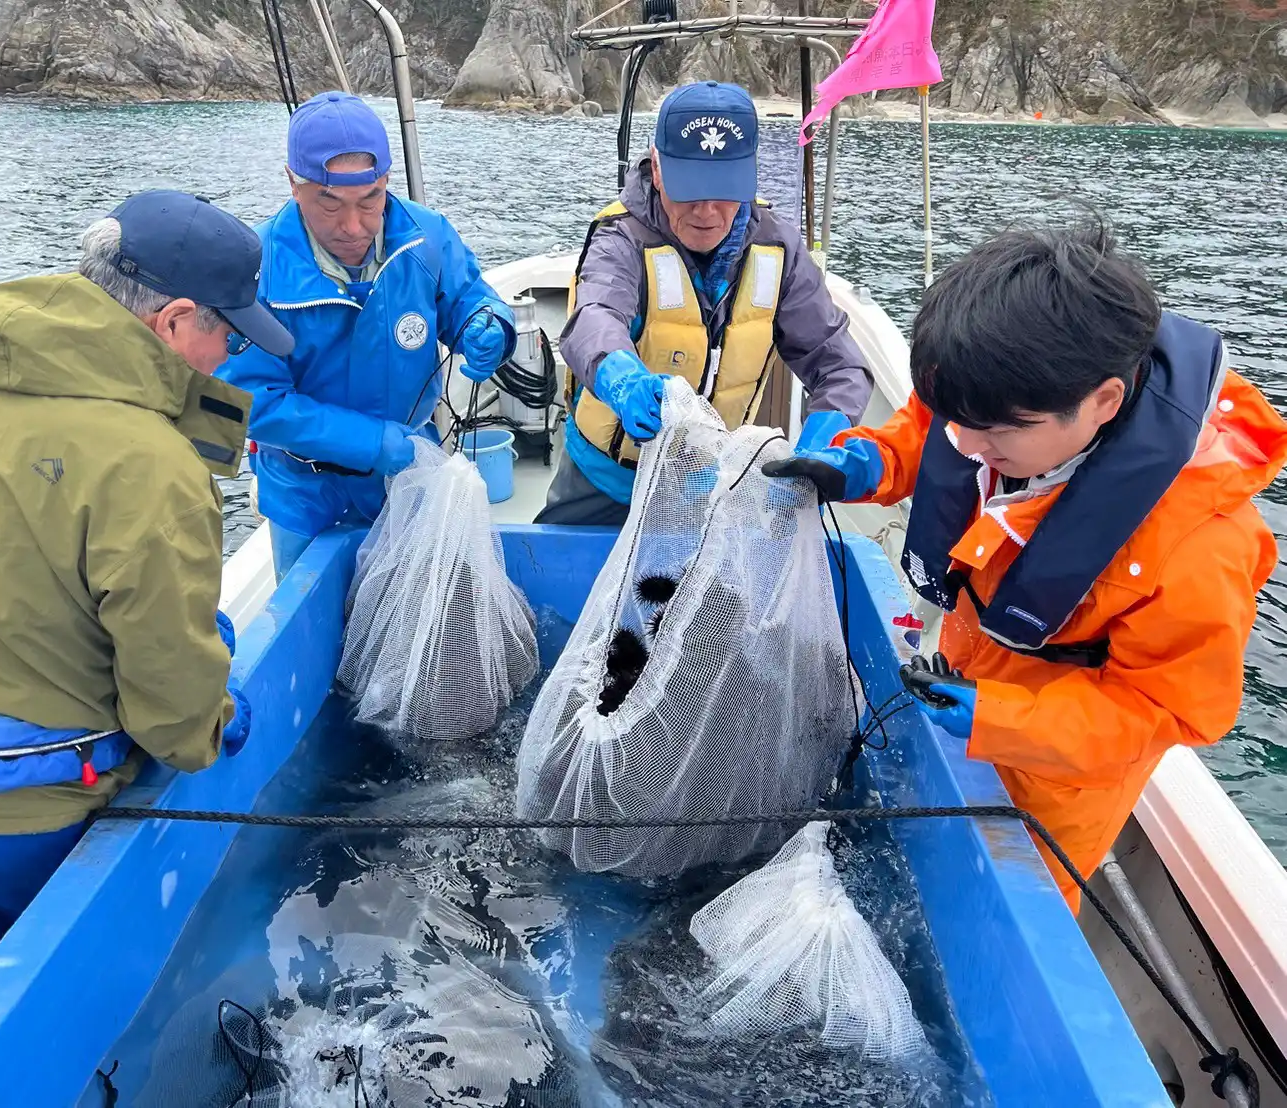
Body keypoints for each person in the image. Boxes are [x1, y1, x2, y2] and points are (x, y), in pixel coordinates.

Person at [0, 189, 291, 1093]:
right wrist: (216, 716)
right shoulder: (152, 463)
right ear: (174, 320)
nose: (231, 358)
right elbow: (172, 720)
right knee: (44, 1050)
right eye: (229, 335)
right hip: (4, 815)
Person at [766, 221, 1287, 912]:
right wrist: (867, 463)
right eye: (957, 418)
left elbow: (1163, 711)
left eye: (997, 431)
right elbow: (926, 431)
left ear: (1103, 401)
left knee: (997, 911)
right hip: (961, 679)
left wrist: (1000, 718)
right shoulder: (991, 397)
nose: (969, 444)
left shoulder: (1201, 546)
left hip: (1053, 792)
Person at [537, 80, 873, 526]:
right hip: (606, 480)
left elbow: (840, 365)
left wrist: (825, 438)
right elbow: (593, 319)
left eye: (724, 189)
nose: (707, 212)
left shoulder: (780, 248)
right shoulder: (620, 239)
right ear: (657, 168)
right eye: (690, 190)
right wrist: (624, 382)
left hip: (710, 482)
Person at [219, 91, 517, 580]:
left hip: (409, 478)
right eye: (329, 203)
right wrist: (373, 443)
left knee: (421, 602)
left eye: (370, 199)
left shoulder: (428, 236)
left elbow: (468, 297)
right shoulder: (256, 267)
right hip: (304, 494)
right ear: (293, 183)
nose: (353, 226)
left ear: (386, 181)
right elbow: (254, 401)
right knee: (316, 619)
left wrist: (489, 324)